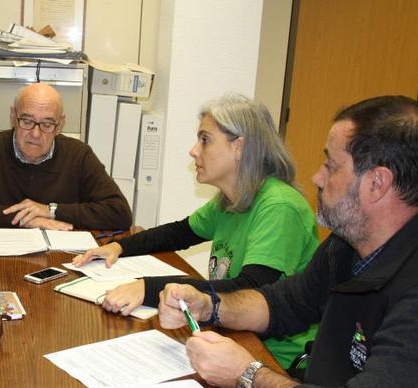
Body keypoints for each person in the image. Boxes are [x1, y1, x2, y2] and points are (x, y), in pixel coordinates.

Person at [160, 96, 418, 388]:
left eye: (331, 164)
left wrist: (248, 373)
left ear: (377, 183)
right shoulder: (349, 243)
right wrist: (211, 306)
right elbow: (283, 303)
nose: (317, 177)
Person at [73, 94, 319, 368]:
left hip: (274, 359)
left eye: (205, 140)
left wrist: (149, 288)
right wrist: (120, 246)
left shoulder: (279, 206)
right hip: (233, 336)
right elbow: (179, 232)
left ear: (239, 147)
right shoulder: (232, 199)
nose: (193, 151)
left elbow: (252, 290)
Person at [0, 82, 132, 230]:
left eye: (46, 124)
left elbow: (119, 212)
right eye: (27, 121)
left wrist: (51, 211)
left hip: (60, 260)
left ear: (60, 125)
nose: (35, 134)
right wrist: (24, 218)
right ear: (13, 116)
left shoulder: (79, 155)